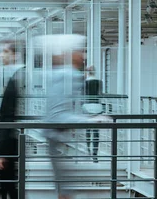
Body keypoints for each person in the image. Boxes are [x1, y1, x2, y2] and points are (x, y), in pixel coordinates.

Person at [36, 34, 111, 199]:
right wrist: (89, 120)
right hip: (57, 135)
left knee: (63, 185)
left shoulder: (66, 74)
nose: (83, 56)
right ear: (69, 53)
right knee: (64, 186)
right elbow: (58, 114)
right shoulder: (68, 75)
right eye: (80, 51)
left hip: (58, 136)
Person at [0, 39, 26, 199]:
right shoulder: (15, 77)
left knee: (7, 186)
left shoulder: (15, 79)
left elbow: (8, 117)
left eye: (5, 52)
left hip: (10, 142)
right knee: (9, 186)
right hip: (11, 140)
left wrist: (1, 151)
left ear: (15, 55)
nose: (1, 55)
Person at [83, 66, 103, 163]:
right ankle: (95, 154)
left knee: (88, 129)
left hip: (87, 107)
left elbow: (83, 95)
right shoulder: (99, 82)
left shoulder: (85, 83)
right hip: (97, 107)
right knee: (96, 131)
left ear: (87, 72)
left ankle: (88, 150)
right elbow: (100, 94)